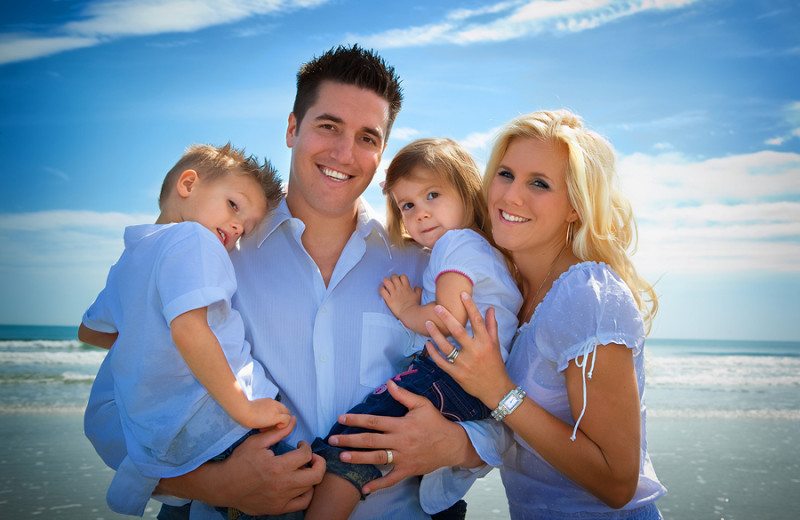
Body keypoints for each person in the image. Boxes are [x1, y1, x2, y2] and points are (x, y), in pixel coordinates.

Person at [84, 45, 496, 520]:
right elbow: (110, 414)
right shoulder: (212, 254)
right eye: (328, 126)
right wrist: (218, 484)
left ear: (381, 152)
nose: (345, 152)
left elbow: (504, 404)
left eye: (367, 137)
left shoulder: (429, 266)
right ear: (291, 129)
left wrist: (455, 445)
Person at [424, 110, 668, 519]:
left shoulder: (588, 295)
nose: (511, 196)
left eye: (539, 183)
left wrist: (499, 392)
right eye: (505, 175)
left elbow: (618, 482)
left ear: (575, 206)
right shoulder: (513, 290)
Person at [304, 138, 523, 520]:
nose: (420, 214)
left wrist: (408, 309)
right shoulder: (491, 254)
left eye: (433, 195)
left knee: (350, 445)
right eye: (408, 205)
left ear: (468, 191)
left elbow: (444, 319)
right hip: (476, 392)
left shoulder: (456, 243)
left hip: (448, 374)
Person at [79, 143, 291, 516]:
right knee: (303, 485)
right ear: (188, 183)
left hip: (170, 442)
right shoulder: (194, 238)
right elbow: (191, 332)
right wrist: (244, 409)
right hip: (223, 423)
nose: (238, 227)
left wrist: (146, 339)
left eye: (247, 226)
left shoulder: (129, 259)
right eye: (233, 205)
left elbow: (90, 331)